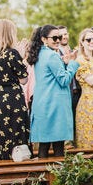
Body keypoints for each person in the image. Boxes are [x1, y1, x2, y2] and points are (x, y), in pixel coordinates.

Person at [28, 25, 79, 157]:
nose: (58, 40)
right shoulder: (52, 56)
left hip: (43, 104)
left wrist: (65, 63)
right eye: (54, 38)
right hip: (55, 106)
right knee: (58, 149)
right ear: (44, 39)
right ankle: (57, 178)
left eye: (60, 37)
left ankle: (41, 177)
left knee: (43, 147)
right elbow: (64, 80)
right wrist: (73, 64)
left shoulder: (40, 54)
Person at [0, 19, 30, 160]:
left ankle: (2, 160)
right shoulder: (12, 53)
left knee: (2, 132)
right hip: (13, 97)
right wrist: (22, 58)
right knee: (16, 132)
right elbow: (23, 79)